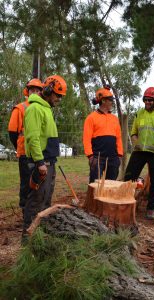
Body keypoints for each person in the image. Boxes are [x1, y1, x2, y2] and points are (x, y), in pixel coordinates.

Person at [23, 75, 67, 236]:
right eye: (57, 95)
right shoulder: (35, 108)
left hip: (49, 161)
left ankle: (41, 236)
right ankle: (27, 239)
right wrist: (40, 162)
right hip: (40, 164)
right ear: (48, 90)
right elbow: (32, 138)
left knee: (45, 201)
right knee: (35, 202)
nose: (59, 99)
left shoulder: (46, 109)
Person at [124, 87, 154, 220]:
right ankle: (125, 203)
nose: (147, 102)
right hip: (139, 152)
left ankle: (151, 208)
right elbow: (133, 132)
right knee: (129, 177)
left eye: (150, 100)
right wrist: (136, 142)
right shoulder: (139, 114)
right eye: (145, 100)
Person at [8, 78, 43, 215]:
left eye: (38, 90)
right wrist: (20, 148)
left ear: (41, 92)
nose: (35, 92)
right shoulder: (20, 108)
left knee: (39, 183)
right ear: (27, 91)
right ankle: (25, 210)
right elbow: (12, 133)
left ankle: (36, 209)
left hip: (40, 152)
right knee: (26, 183)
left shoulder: (43, 107)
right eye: (32, 89)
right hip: (25, 153)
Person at [83, 86, 123, 183]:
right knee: (95, 185)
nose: (112, 102)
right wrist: (90, 156)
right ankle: (93, 199)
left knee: (111, 185)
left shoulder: (114, 118)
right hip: (97, 158)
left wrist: (120, 155)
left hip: (113, 158)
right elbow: (86, 138)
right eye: (110, 100)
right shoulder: (91, 118)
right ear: (103, 101)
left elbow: (118, 138)